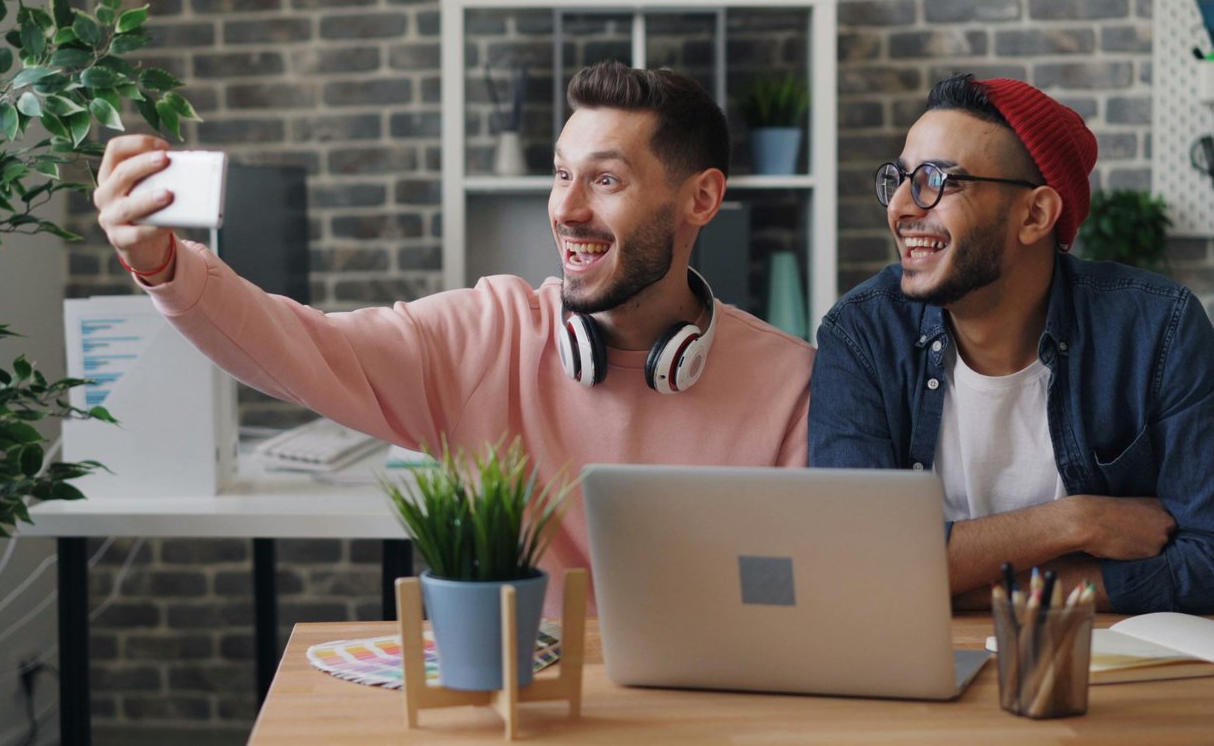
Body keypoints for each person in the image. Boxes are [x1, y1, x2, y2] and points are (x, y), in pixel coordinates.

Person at [95, 60, 814, 610]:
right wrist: (162, 264)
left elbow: (806, 610)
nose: (565, 209)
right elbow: (300, 346)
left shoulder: (791, 387)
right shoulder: (489, 335)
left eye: (605, 181)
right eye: (561, 174)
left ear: (702, 198)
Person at [808, 73, 1214, 615]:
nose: (901, 207)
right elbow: (856, 562)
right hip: (920, 667)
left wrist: (952, 582)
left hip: (1113, 673)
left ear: (1036, 215)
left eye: (936, 180)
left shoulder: (1159, 329)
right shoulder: (860, 335)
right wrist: (1075, 523)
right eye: (901, 179)